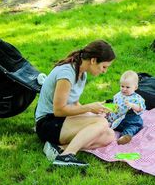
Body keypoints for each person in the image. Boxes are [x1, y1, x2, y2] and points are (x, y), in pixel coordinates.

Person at [35, 39, 116, 167]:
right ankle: (66, 156)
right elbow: (59, 110)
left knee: (109, 135)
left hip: (60, 121)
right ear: (93, 60)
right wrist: (89, 108)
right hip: (48, 123)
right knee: (101, 123)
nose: (104, 71)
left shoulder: (82, 73)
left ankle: (59, 148)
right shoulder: (66, 73)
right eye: (104, 67)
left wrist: (93, 112)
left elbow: (74, 103)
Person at [106, 70, 146, 145]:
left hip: (131, 120)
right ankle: (105, 128)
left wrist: (132, 105)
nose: (124, 89)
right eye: (122, 86)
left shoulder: (137, 98)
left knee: (132, 127)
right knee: (107, 122)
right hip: (117, 119)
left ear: (135, 87)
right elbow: (115, 105)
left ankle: (124, 137)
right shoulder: (118, 95)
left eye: (127, 87)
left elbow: (140, 108)